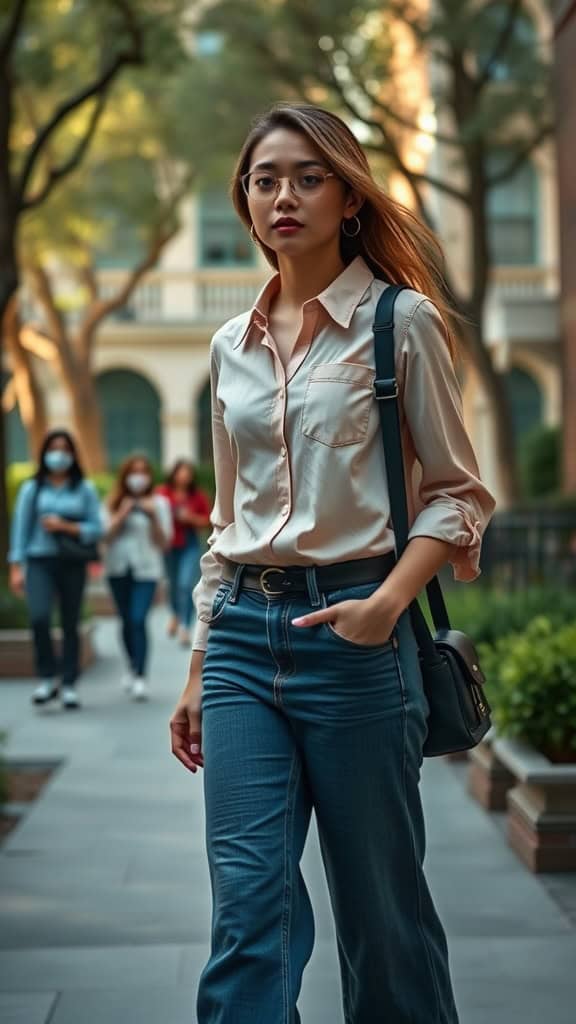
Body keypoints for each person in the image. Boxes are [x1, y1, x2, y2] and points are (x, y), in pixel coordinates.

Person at [170, 103, 496, 1024]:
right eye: (265, 179)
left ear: (348, 198)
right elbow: (226, 521)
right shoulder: (228, 347)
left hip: (356, 635)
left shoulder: (401, 322)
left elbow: (459, 494)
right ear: (246, 200)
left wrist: (388, 603)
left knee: (381, 916)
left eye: (308, 177)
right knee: (247, 909)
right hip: (240, 641)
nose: (284, 195)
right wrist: (198, 665)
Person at [8, 429, 103, 710]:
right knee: (39, 618)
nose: (58, 455)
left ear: (72, 455)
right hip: (39, 561)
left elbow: (97, 528)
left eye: (64, 449)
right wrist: (16, 566)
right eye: (53, 449)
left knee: (71, 622)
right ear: (44, 454)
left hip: (72, 562)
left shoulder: (83, 488)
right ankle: (47, 677)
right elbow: (20, 529)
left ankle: (70, 683)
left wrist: (66, 526)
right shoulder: (32, 489)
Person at [102, 454, 172, 701]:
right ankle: (132, 666)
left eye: (143, 471)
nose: (138, 477)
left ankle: (141, 675)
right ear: (125, 476)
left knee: (138, 618)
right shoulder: (112, 502)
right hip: (117, 569)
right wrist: (122, 514)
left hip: (147, 570)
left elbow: (164, 543)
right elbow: (104, 538)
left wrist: (152, 517)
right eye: (134, 471)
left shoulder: (160, 503)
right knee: (125, 620)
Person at [156, 459, 211, 647]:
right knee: (172, 584)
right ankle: (175, 613)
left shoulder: (197, 496)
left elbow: (208, 520)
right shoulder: (163, 493)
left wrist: (191, 518)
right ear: (174, 474)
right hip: (168, 543)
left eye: (188, 472)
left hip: (190, 542)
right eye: (181, 471)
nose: (184, 476)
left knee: (186, 584)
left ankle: (185, 627)